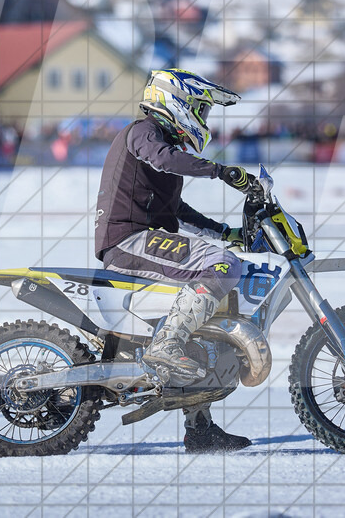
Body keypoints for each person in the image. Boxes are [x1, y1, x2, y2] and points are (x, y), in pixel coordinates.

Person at [94, 68, 258, 453]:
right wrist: (222, 172)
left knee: (210, 317)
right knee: (222, 267)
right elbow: (166, 159)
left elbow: (176, 209)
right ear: (176, 100)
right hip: (129, 241)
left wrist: (225, 232)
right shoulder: (143, 132)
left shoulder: (162, 145)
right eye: (201, 108)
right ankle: (167, 345)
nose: (203, 119)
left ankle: (200, 429)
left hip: (147, 239)